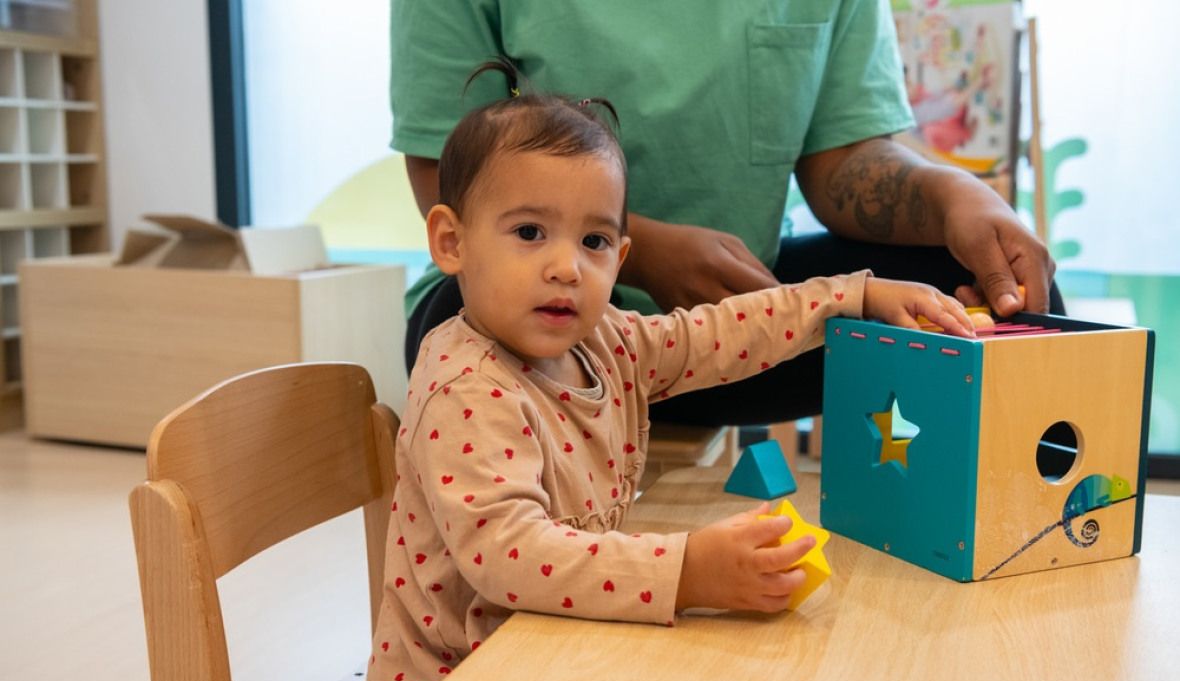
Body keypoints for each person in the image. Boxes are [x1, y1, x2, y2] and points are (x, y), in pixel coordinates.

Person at [365, 62, 975, 681]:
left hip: (553, 649)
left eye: (593, 242)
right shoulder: (467, 385)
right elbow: (512, 558)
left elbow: (720, 334)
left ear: (621, 258)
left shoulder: (606, 341)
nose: (567, 266)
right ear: (451, 242)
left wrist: (850, 297)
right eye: (530, 232)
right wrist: (689, 573)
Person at [390, 0, 1062, 426]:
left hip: (736, 325)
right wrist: (635, 250)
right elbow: (444, 163)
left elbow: (844, 160)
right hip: (538, 331)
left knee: (996, 282)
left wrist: (953, 196)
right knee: (472, 310)